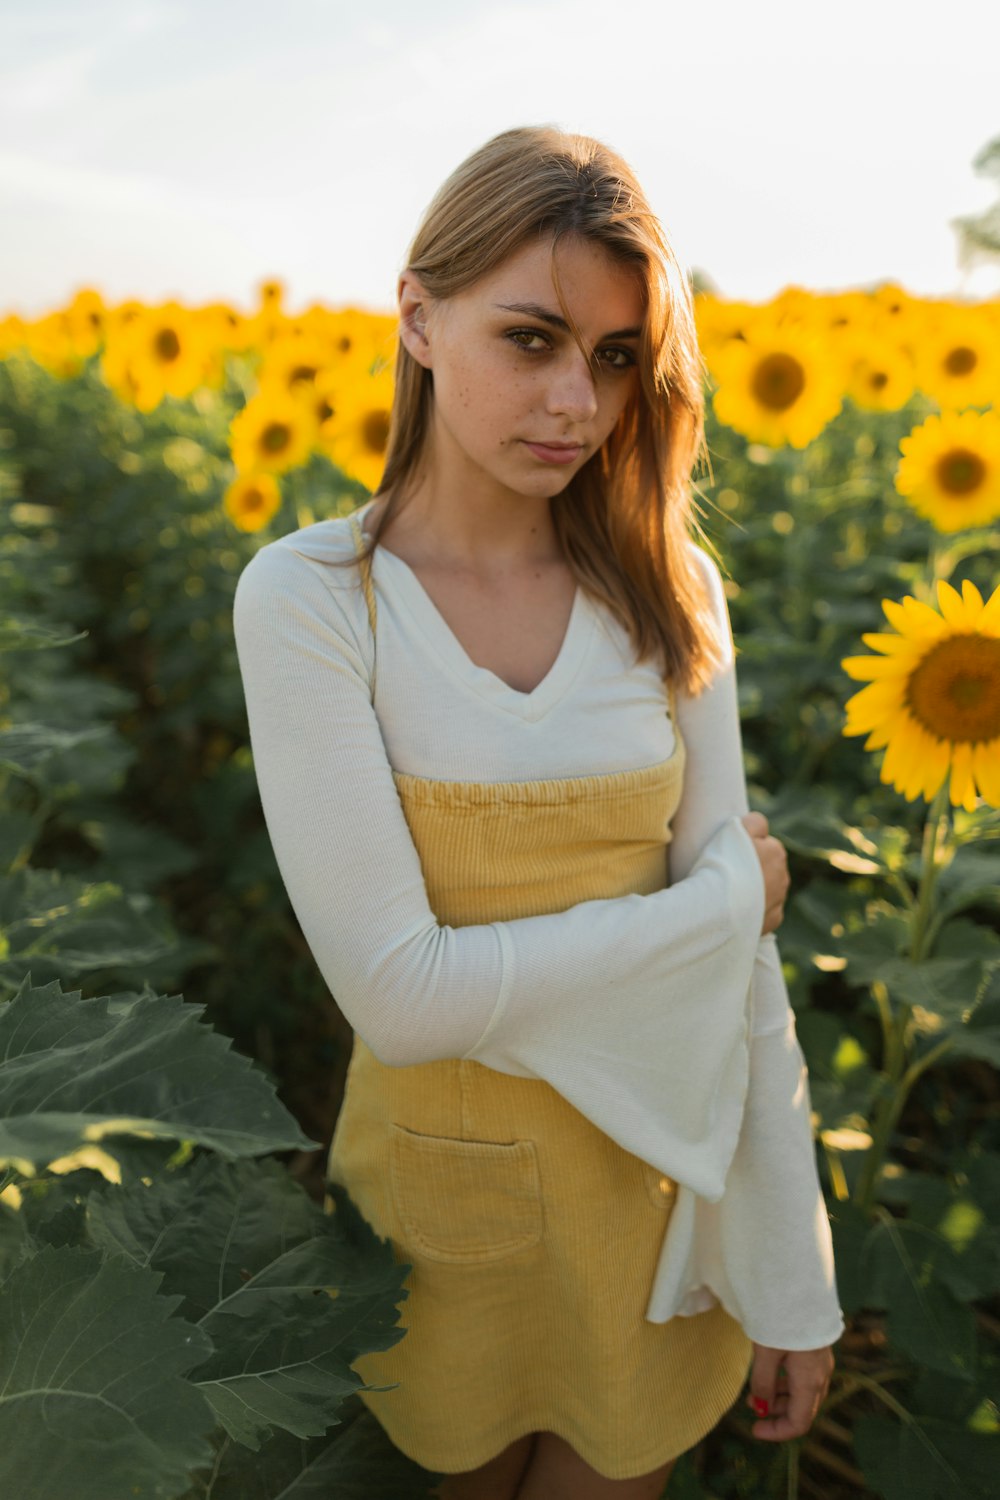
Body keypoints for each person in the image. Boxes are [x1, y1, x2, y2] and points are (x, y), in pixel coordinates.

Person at [232, 125, 844, 1500]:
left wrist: (792, 1268)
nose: (576, 399)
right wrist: (713, 904)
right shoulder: (317, 599)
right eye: (532, 340)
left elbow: (739, 972)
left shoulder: (669, 590)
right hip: (439, 1223)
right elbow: (403, 999)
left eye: (617, 357)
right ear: (419, 317)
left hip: (656, 1208)